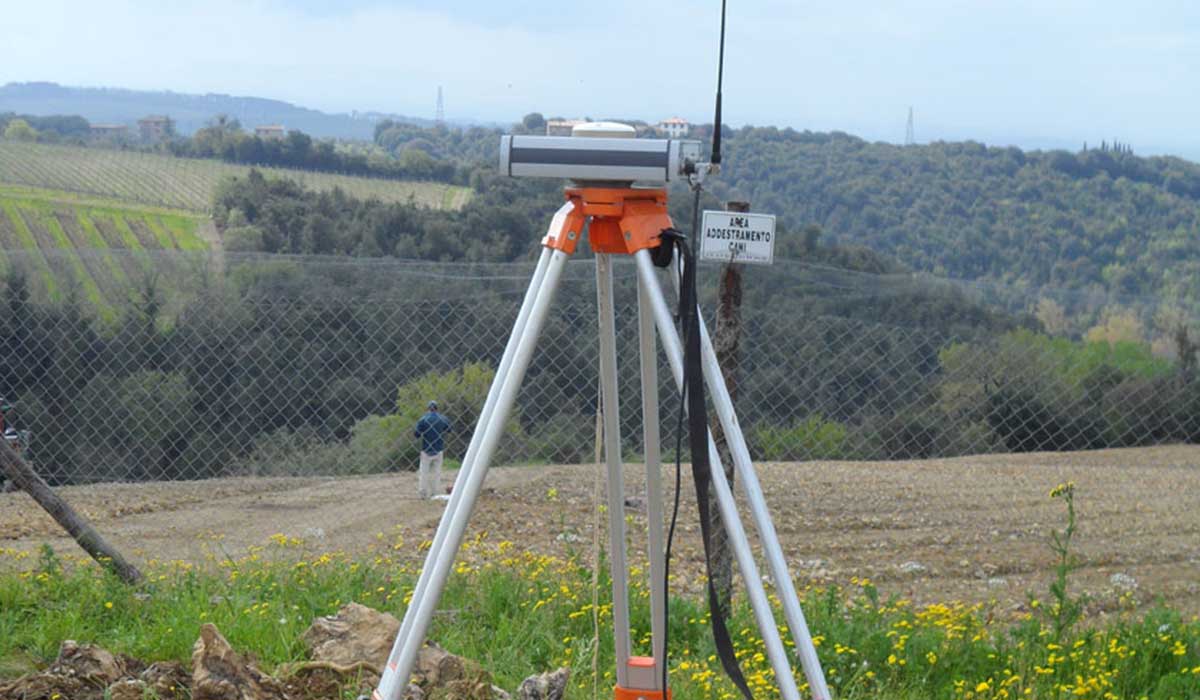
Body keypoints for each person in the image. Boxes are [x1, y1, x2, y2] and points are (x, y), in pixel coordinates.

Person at [413, 400, 451, 499]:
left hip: (426, 449)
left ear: (428, 409)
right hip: (439, 448)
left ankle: (423, 493)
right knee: (437, 473)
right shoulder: (443, 419)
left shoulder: (423, 420)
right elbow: (449, 429)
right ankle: (435, 493)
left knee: (424, 473)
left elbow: (416, 434)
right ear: (437, 408)